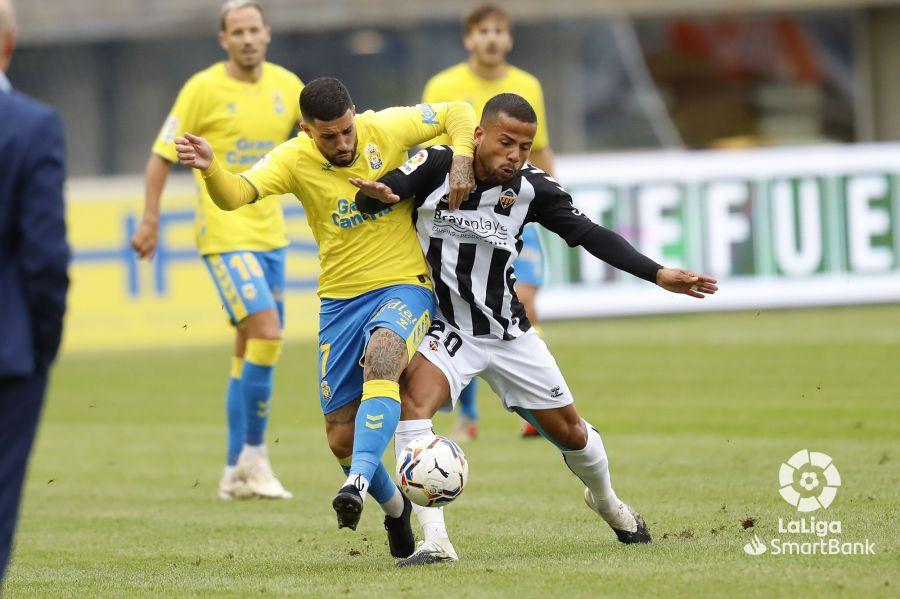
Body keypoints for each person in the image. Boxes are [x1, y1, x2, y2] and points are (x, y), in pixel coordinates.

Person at [351, 93, 718, 566]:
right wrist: (373, 197)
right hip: (448, 330)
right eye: (506, 142)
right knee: (411, 407)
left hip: (509, 334)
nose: (515, 155)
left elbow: (589, 234)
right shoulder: (436, 164)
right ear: (478, 135)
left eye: (524, 147)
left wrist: (657, 272)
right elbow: (377, 194)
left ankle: (607, 502)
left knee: (573, 435)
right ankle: (436, 542)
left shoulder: (533, 188)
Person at [171, 77, 476, 558]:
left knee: (384, 357)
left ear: (355, 115)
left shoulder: (386, 127)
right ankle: (395, 510)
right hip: (339, 302)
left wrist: (461, 160)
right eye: (329, 136)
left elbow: (459, 110)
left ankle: (357, 483)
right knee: (340, 436)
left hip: (405, 286)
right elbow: (237, 194)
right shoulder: (294, 159)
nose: (343, 143)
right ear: (306, 130)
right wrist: (212, 169)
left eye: (347, 130)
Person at [130, 1, 304, 500]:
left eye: (254, 30)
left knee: (248, 349)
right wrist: (150, 218)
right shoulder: (202, 89)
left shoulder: (288, 86)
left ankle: (232, 471)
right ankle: (255, 459)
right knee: (268, 332)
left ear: (267, 34)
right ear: (223, 39)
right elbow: (161, 156)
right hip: (224, 234)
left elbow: (314, 146)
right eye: (237, 32)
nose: (247, 39)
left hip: (271, 233)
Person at [422, 3, 552, 440]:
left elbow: (541, 149)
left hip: (512, 212)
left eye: (499, 30)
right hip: (456, 215)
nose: (491, 38)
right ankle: (468, 416)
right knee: (459, 307)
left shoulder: (528, 85)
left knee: (524, 299)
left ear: (509, 38)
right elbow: (427, 149)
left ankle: (533, 407)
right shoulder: (443, 85)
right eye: (483, 31)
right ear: (469, 39)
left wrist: (548, 204)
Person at [0, 0, 70, 582]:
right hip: (8, 352)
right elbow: (45, 258)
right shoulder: (30, 126)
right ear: (9, 43)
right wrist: (40, 346)